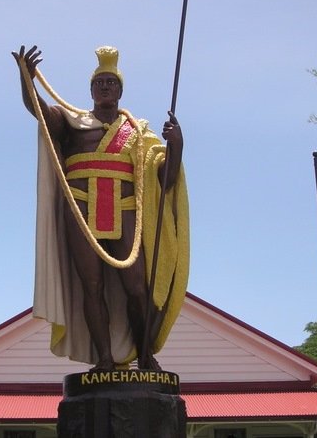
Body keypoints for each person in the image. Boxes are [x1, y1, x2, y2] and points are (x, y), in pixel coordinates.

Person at [12, 44, 189, 371]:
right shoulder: (72, 120)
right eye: (100, 82)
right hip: (81, 211)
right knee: (90, 287)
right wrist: (26, 77)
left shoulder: (138, 131)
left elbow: (165, 179)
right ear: (91, 90)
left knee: (136, 288)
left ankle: (146, 356)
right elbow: (37, 109)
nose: (105, 86)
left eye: (111, 82)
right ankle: (104, 359)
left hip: (124, 212)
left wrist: (176, 145)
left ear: (120, 90)